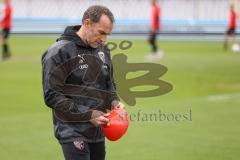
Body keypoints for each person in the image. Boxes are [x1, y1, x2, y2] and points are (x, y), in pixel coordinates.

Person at [41, 5, 124, 160]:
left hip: (98, 130)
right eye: (101, 32)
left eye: (108, 35)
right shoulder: (58, 52)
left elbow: (109, 84)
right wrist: (87, 115)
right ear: (87, 23)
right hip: (72, 131)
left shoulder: (103, 51)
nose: (104, 39)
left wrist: (114, 102)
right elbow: (51, 95)